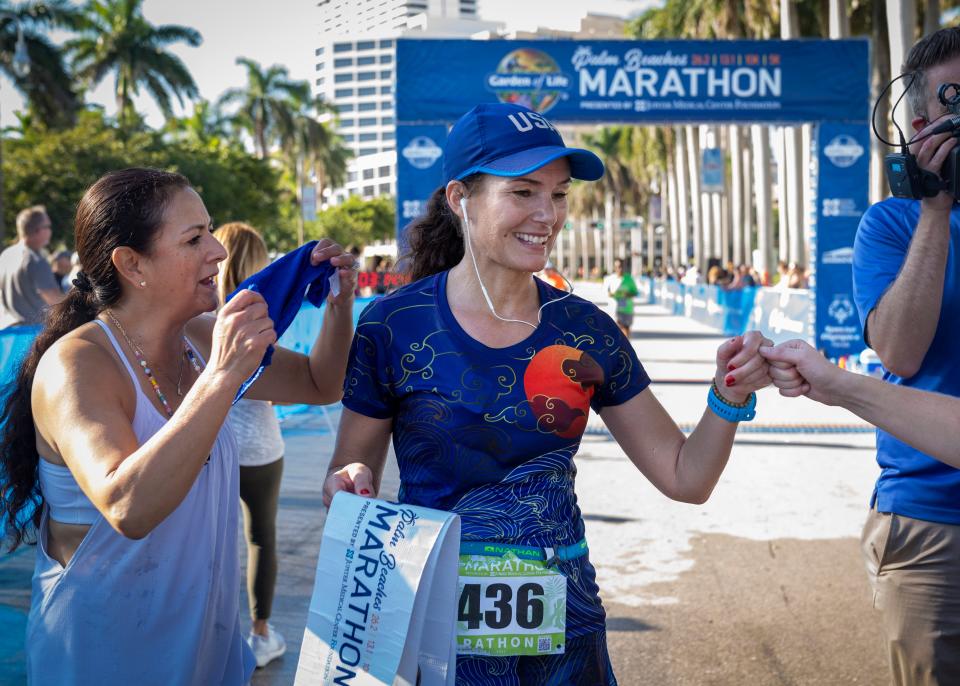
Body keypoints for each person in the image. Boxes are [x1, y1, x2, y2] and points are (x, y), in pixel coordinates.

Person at [321, 103, 773, 685]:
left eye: (558, 195)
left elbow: (686, 477)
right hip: (434, 624)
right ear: (461, 199)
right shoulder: (394, 324)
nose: (547, 215)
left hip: (564, 633)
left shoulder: (586, 330)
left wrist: (727, 395)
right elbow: (349, 469)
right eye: (524, 192)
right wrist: (348, 481)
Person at [0, 168, 357, 684]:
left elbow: (321, 383)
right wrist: (224, 375)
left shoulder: (199, 337)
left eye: (210, 231)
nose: (217, 251)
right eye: (194, 238)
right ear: (132, 264)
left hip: (203, 650)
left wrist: (340, 306)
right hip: (102, 658)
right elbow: (128, 505)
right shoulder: (77, 364)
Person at [846, 26, 960, 686]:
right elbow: (899, 351)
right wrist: (935, 208)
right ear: (921, 122)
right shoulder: (891, 225)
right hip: (934, 524)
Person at [215, 222, 287, 668]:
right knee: (261, 537)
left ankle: (214, 634)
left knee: (212, 543)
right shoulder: (262, 315)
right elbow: (276, 384)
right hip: (260, 445)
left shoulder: (199, 316)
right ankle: (260, 633)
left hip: (209, 444)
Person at [0, 206, 64, 328]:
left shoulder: (6, 256)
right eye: (48, 227)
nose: (50, 231)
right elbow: (56, 301)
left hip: (6, 334)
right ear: (37, 230)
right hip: (32, 334)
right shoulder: (35, 260)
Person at [604, 257, 638, 338]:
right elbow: (606, 292)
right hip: (615, 309)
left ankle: (626, 348)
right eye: (617, 267)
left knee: (626, 331)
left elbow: (635, 292)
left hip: (627, 308)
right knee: (619, 329)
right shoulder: (611, 279)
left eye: (621, 266)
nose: (619, 269)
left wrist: (627, 294)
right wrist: (612, 295)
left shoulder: (628, 278)